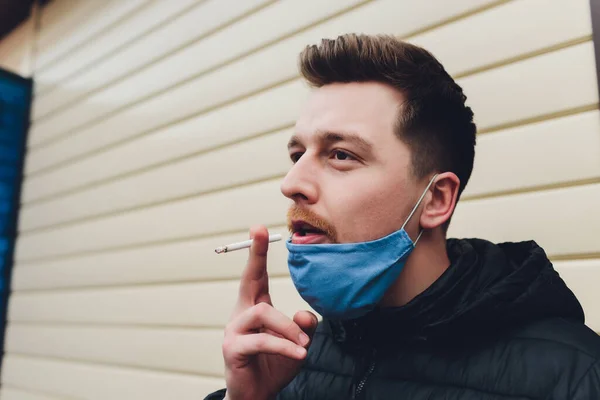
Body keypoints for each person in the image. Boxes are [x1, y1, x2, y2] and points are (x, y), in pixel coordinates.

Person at [205, 34, 600, 400]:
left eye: (340, 154)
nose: (291, 183)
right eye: (297, 155)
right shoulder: (291, 361)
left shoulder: (573, 376)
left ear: (435, 200)